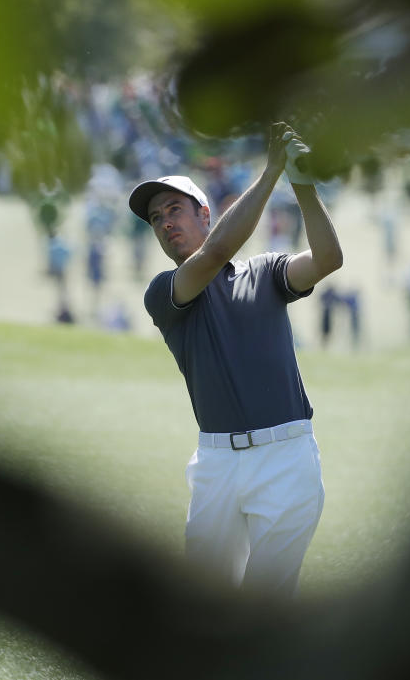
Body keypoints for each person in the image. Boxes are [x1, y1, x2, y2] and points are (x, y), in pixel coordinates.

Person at [129, 122, 343, 596]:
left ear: (205, 213)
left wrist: (303, 186)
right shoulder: (163, 292)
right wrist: (271, 174)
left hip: (287, 458)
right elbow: (217, 251)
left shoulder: (266, 272)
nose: (165, 222)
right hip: (216, 465)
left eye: (175, 210)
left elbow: (328, 258)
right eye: (156, 218)